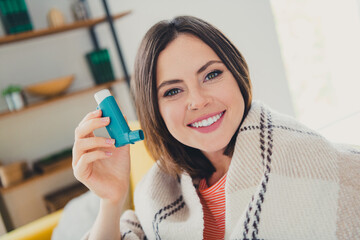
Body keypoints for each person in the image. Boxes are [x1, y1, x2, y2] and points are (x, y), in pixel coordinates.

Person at [72, 16, 360, 240]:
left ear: (237, 75)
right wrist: (111, 201)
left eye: (211, 74)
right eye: (173, 91)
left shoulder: (314, 164)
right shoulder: (158, 194)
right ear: (155, 111)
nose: (198, 100)